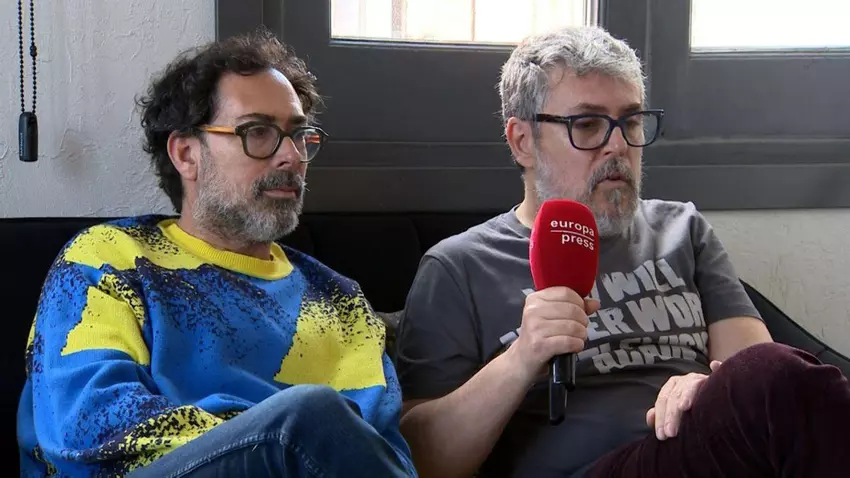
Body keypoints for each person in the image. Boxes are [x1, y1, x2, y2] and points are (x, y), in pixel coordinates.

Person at [394, 25, 850, 478]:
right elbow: (420, 460)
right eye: (587, 125)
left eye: (630, 122)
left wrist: (704, 386)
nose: (618, 145)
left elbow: (756, 372)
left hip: (699, 447)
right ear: (523, 142)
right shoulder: (457, 267)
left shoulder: (682, 230)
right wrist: (522, 357)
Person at [17, 29, 416, 478]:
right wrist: (276, 432)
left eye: (299, 135)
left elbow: (386, 457)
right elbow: (89, 427)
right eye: (258, 132)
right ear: (187, 154)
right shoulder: (107, 261)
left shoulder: (340, 302)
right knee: (311, 417)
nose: (291, 156)